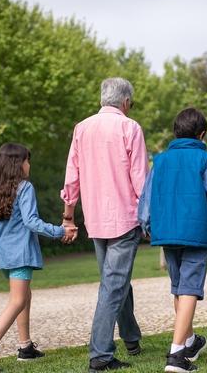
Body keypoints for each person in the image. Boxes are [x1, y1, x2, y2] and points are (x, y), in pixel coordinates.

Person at [60, 77, 149, 372]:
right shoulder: (130, 127)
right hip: (124, 218)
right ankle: (100, 354)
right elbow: (140, 178)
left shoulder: (81, 128)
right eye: (131, 103)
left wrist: (68, 215)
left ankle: (132, 338)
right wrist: (150, 215)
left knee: (115, 281)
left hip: (95, 219)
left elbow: (72, 175)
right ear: (125, 101)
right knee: (113, 285)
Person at [138, 107, 207, 373]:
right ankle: (176, 356)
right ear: (202, 134)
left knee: (179, 287)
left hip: (166, 232)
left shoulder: (161, 161)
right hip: (196, 232)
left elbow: (146, 199)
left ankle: (189, 341)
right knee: (189, 288)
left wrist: (147, 225)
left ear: (176, 133)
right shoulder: (205, 160)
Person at [0, 143, 76, 373]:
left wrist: (2, 244)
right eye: (27, 160)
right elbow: (31, 222)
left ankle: (25, 347)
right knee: (18, 300)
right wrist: (60, 231)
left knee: (24, 295)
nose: (29, 165)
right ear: (18, 164)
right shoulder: (24, 188)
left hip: (2, 255)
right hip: (20, 254)